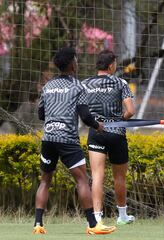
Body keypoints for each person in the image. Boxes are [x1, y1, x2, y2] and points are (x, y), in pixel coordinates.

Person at [33, 47, 116, 235]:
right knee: (83, 181)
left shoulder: (48, 87)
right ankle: (93, 224)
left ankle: (38, 224)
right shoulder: (78, 86)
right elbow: (86, 116)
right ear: (72, 64)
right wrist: (98, 126)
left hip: (48, 138)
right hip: (67, 139)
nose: (77, 63)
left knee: (45, 180)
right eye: (76, 60)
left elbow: (40, 114)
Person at [82, 49, 135, 226]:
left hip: (96, 132)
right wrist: (120, 120)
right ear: (111, 65)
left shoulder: (85, 84)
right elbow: (130, 111)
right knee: (119, 177)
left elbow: (80, 110)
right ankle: (122, 215)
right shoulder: (120, 83)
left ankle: (97, 216)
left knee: (97, 175)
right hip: (117, 132)